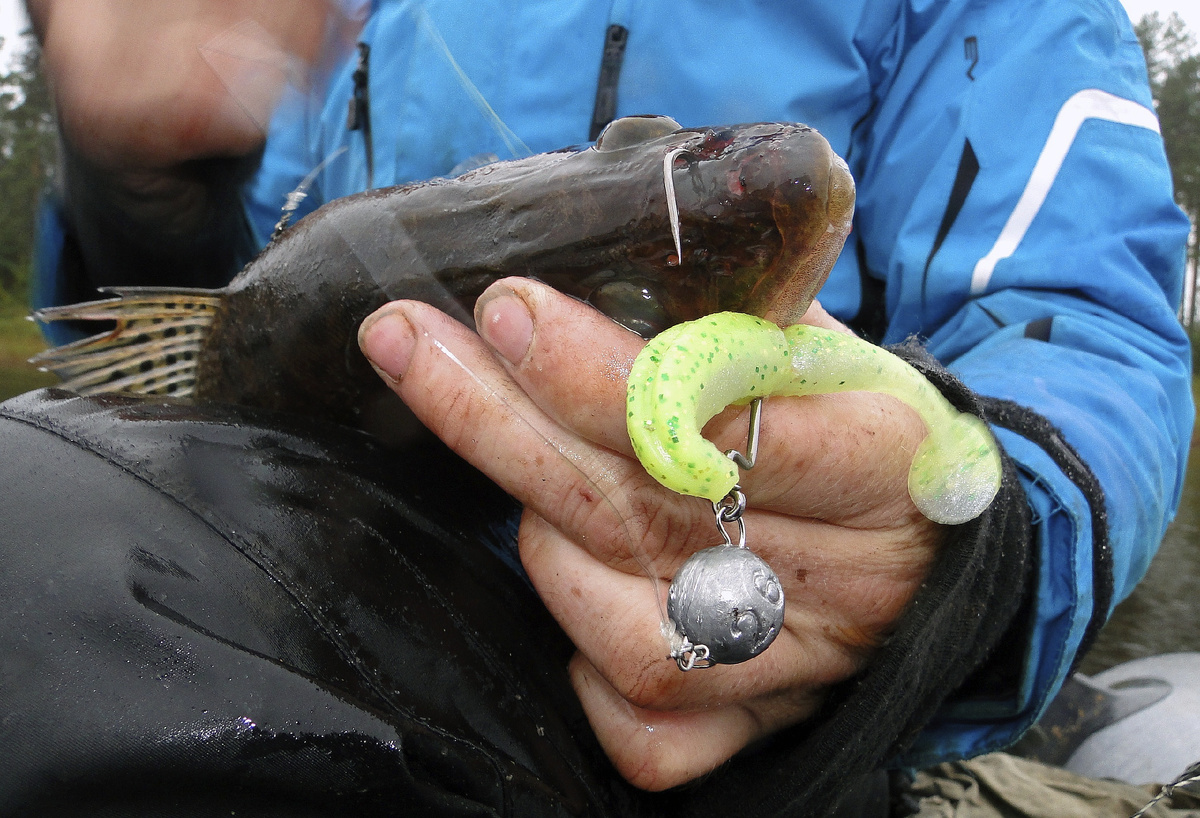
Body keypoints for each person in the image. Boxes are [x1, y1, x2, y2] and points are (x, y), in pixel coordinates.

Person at [17, 0, 1193, 814]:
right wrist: (146, 187)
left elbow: (1090, 320)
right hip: (313, 618)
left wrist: (964, 555)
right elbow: (214, 333)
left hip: (768, 745)